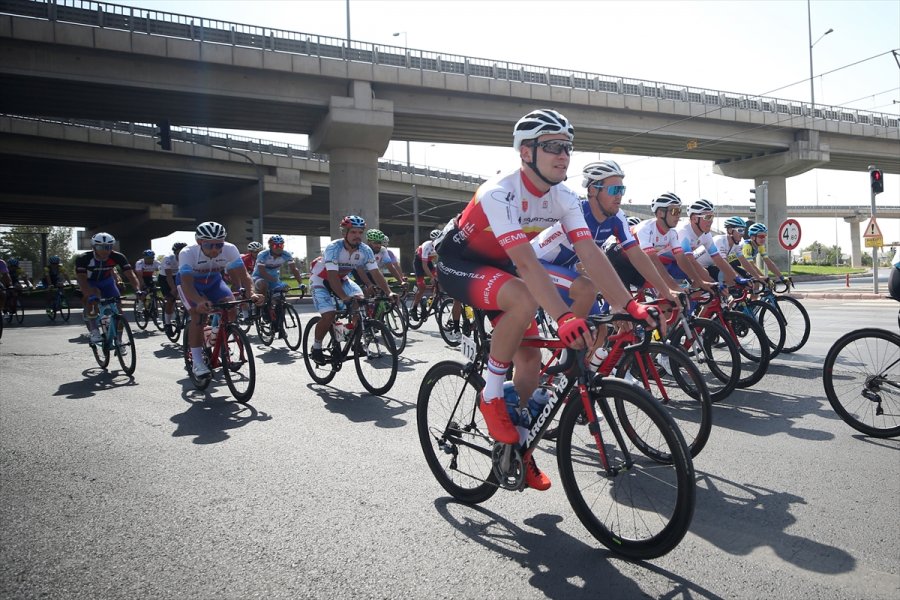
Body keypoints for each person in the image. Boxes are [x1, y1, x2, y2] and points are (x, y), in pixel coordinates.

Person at [435, 108, 653, 491]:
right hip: (460, 264)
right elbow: (525, 262)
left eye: (568, 147)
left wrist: (628, 305)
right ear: (526, 152)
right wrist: (565, 317)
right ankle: (490, 396)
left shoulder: (564, 197)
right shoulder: (499, 192)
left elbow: (590, 253)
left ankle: (519, 450)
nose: (563, 155)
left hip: (501, 268)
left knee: (531, 361)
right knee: (524, 297)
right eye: (552, 146)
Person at [532, 159, 680, 320]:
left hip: (567, 267)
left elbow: (636, 254)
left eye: (622, 190)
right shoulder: (576, 212)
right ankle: (570, 334)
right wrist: (616, 303)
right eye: (614, 190)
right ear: (593, 190)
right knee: (586, 290)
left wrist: (666, 291)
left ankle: (574, 334)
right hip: (537, 264)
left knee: (601, 326)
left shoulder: (617, 216)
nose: (619, 196)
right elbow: (590, 262)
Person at [308, 215, 398, 364]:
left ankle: (352, 338)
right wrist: (344, 297)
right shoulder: (334, 247)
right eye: (353, 232)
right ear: (345, 233)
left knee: (360, 302)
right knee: (329, 315)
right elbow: (331, 276)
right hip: (321, 280)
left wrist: (389, 292)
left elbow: (376, 273)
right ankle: (316, 347)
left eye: (360, 232)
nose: (357, 236)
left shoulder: (365, 250)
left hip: (342, 279)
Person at [177, 222, 262, 377]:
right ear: (199, 242)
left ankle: (218, 340)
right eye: (209, 245)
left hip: (214, 282)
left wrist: (252, 294)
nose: (215, 249)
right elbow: (187, 284)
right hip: (190, 285)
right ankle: (197, 363)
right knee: (198, 316)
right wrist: (199, 301)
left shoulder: (230, 249)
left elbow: (244, 276)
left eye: (219, 245)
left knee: (231, 308)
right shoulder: (187, 253)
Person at [631, 193, 715, 292]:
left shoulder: (672, 233)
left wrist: (700, 282)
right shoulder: (645, 229)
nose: (678, 215)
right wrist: (675, 287)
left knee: (668, 293)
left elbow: (681, 259)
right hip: (621, 262)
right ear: (660, 213)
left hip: (639, 264)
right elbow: (653, 260)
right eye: (674, 211)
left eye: (679, 211)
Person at [74, 233, 143, 345]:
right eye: (101, 247)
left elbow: (131, 275)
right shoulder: (84, 258)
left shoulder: (118, 256)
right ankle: (94, 331)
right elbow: (81, 279)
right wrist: (88, 295)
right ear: (94, 247)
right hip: (90, 282)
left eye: (109, 247)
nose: (105, 250)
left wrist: (137, 290)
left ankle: (119, 341)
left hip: (107, 282)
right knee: (93, 297)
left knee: (118, 310)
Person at [674, 199, 743, 287]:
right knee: (702, 279)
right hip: (665, 263)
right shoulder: (683, 232)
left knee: (705, 283)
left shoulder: (706, 235)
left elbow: (718, 259)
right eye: (707, 217)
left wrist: (737, 278)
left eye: (712, 217)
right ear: (694, 218)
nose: (711, 221)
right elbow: (690, 260)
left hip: (679, 263)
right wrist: (712, 283)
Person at [356, 229, 407, 295]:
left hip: (372, 271)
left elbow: (390, 266)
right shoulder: (362, 251)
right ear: (369, 242)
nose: (378, 245)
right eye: (375, 243)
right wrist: (369, 284)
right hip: (358, 272)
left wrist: (401, 281)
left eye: (379, 243)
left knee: (382, 288)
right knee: (365, 292)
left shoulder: (383, 250)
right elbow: (360, 270)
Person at [411, 230, 440, 315]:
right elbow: (424, 265)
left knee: (438, 282)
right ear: (432, 240)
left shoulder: (441, 245)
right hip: (419, 263)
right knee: (422, 287)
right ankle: (414, 308)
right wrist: (431, 277)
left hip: (429, 261)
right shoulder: (427, 246)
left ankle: (432, 301)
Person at [159, 242, 187, 329]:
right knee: (171, 299)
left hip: (178, 275)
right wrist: (174, 289)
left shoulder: (188, 257)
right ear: (175, 253)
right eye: (179, 253)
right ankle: (167, 323)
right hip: (165, 277)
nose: (181, 255)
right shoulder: (168, 258)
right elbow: (169, 276)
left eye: (183, 253)